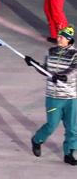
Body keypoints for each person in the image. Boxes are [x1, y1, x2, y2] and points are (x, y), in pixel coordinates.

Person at [27, 26, 77, 166]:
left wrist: (63, 77)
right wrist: (34, 65)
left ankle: (69, 153)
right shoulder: (51, 51)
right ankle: (37, 140)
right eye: (58, 36)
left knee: (72, 128)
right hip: (53, 96)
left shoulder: (75, 54)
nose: (58, 38)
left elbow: (74, 71)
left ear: (69, 40)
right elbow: (46, 71)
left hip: (70, 97)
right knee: (51, 125)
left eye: (61, 36)